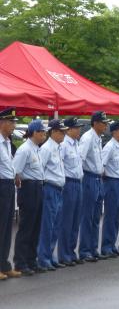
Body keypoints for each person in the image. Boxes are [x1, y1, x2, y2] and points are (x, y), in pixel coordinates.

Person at [13, 119, 47, 276]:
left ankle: (31, 260)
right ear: (34, 132)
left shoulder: (37, 149)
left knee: (36, 227)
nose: (44, 135)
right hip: (28, 188)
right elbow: (16, 171)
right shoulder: (25, 149)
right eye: (41, 132)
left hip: (38, 186)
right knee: (26, 227)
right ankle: (20, 262)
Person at [37, 119, 68, 271]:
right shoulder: (47, 148)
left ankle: (50, 254)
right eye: (61, 132)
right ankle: (43, 257)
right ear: (53, 132)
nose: (63, 134)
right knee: (48, 225)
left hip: (58, 189)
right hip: (50, 188)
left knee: (56, 224)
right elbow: (40, 169)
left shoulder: (59, 147)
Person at [79, 111, 110, 262]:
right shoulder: (88, 138)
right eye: (103, 123)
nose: (106, 126)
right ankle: (85, 250)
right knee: (88, 216)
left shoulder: (97, 138)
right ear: (96, 123)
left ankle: (93, 247)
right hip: (89, 178)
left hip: (98, 179)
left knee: (97, 216)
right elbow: (80, 159)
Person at [58, 117, 84, 266]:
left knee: (75, 220)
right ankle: (64, 254)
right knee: (67, 220)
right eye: (76, 127)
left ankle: (71, 252)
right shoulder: (64, 145)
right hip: (68, 183)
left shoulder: (76, 143)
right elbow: (59, 165)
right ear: (68, 129)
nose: (79, 129)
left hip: (78, 182)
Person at [0, 107, 21, 280]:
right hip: (0, 185)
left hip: (8, 185)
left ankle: (4, 265)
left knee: (7, 227)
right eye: (11, 122)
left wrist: (15, 176)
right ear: (3, 123)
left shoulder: (7, 143)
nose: (14, 125)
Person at [101, 120, 119, 258]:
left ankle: (112, 244)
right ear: (114, 132)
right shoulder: (109, 147)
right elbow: (102, 166)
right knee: (110, 215)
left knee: (117, 215)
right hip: (111, 182)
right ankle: (106, 246)